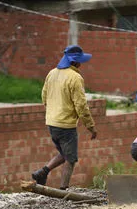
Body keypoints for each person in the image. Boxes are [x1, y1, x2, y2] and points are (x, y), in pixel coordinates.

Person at [32, 45, 98, 189]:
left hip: (51, 123)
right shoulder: (75, 77)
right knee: (71, 159)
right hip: (66, 125)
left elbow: (44, 96)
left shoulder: (52, 73)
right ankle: (64, 189)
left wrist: (52, 112)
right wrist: (91, 127)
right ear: (75, 62)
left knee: (64, 152)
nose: (81, 64)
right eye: (80, 61)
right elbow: (81, 106)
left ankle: (42, 172)